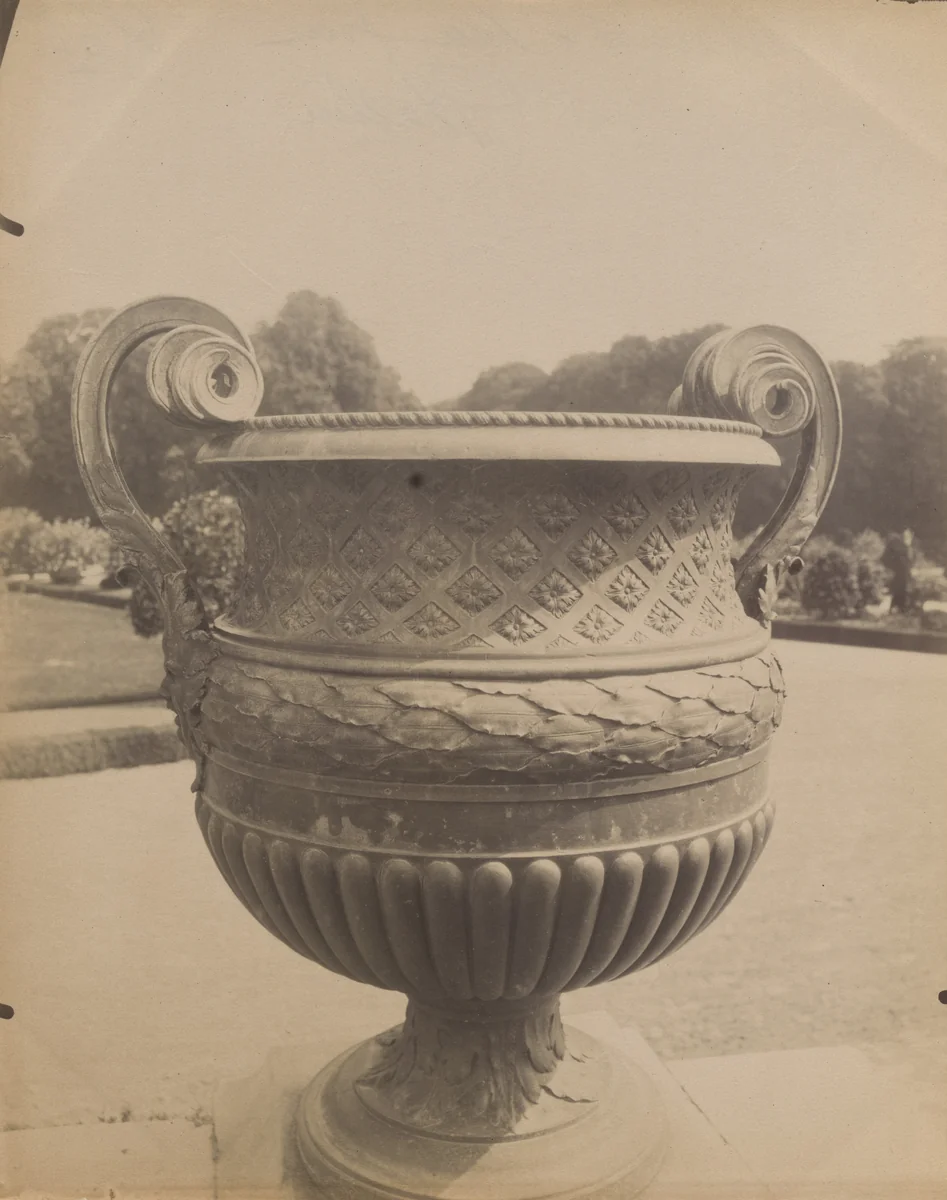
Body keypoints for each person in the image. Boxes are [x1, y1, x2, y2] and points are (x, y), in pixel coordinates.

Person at [882, 530, 915, 613]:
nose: (907, 538)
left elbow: (910, 562)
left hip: (904, 574)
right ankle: (898, 607)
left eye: (908, 536)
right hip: (900, 574)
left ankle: (900, 607)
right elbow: (889, 560)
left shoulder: (908, 548)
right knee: (900, 590)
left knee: (903, 591)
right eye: (905, 536)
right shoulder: (901, 549)